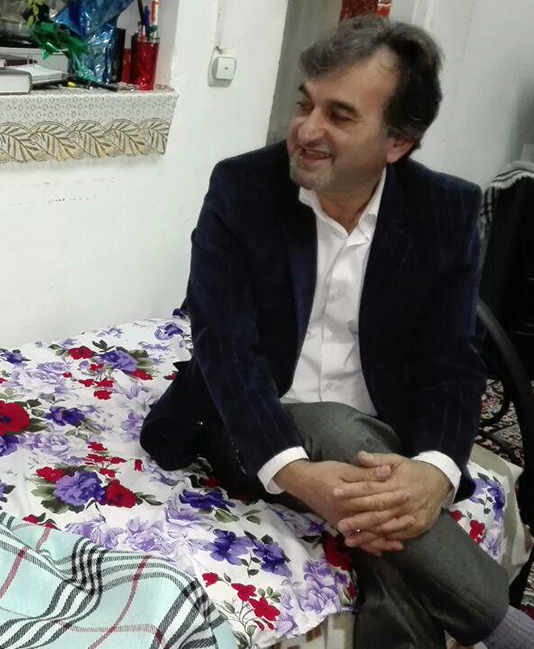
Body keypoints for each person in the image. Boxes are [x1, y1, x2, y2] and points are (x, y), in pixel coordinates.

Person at [141, 16, 533, 649]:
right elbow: (225, 347)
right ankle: (505, 626)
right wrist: (297, 474)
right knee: (337, 431)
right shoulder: (243, 187)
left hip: (382, 439)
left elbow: (453, 362)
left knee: (376, 493)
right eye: (306, 104)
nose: (305, 129)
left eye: (340, 115)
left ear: (398, 143)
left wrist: (434, 472)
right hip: (252, 429)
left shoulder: (444, 209)